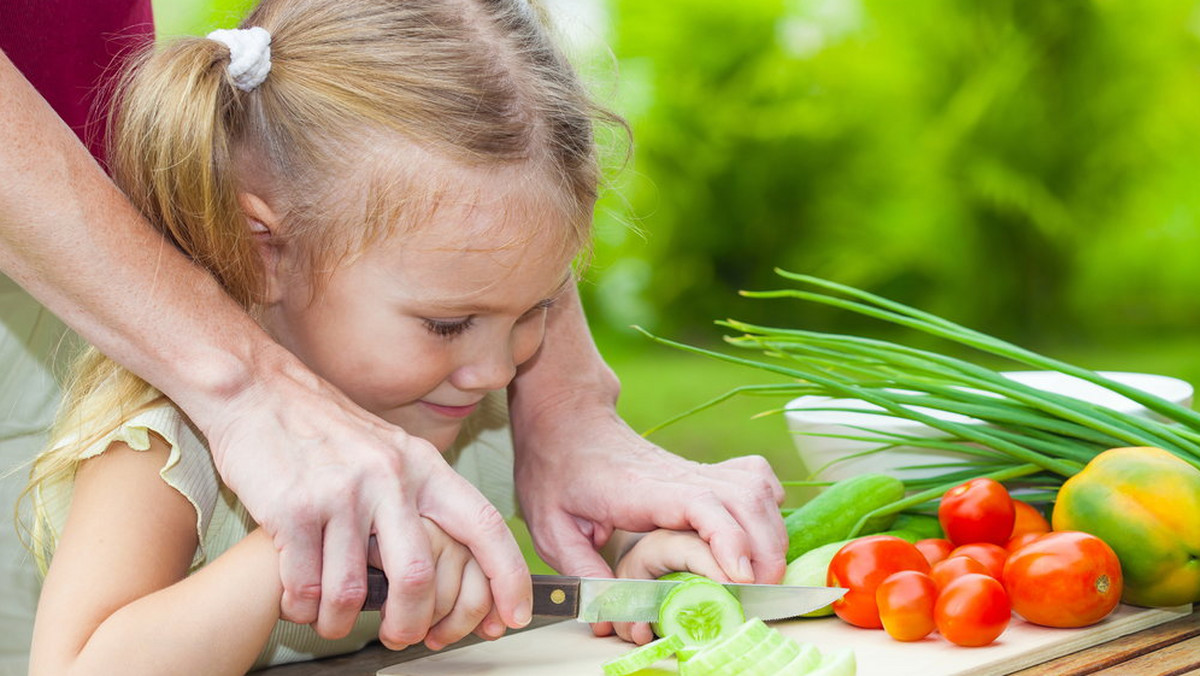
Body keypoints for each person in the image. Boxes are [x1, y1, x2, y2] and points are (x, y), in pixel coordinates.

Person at [1, 0, 786, 670]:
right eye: (448, 322)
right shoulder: (171, 444)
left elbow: (581, 569)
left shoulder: (469, 402)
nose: (492, 368)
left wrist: (644, 571)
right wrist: (287, 560)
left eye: (539, 306)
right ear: (262, 248)